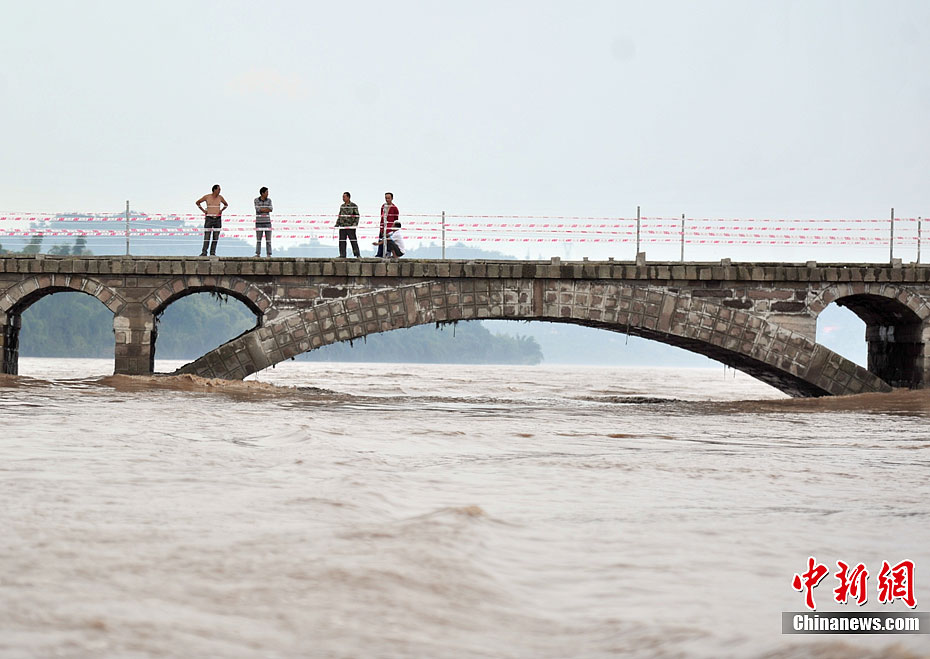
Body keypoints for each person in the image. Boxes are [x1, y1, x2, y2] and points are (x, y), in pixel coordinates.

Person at [195, 184, 228, 256]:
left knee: (215, 237)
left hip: (217, 218)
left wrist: (221, 210)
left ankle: (212, 252)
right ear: (215, 190)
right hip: (209, 218)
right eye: (219, 189)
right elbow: (198, 202)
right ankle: (204, 252)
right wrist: (203, 210)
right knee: (207, 236)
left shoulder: (220, 197)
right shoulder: (207, 197)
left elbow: (226, 204)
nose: (219, 191)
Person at [335, 191, 361, 258]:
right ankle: (342, 255)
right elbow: (340, 215)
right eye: (342, 197)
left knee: (353, 241)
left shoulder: (353, 206)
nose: (343, 198)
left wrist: (354, 225)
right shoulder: (342, 206)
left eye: (344, 197)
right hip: (342, 226)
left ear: (348, 197)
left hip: (350, 226)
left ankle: (357, 254)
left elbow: (357, 216)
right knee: (342, 241)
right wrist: (337, 224)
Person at [375, 192, 399, 257]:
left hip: (390, 229)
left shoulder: (394, 208)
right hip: (383, 227)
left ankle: (388, 254)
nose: (387, 199)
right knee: (381, 240)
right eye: (386, 198)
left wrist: (394, 229)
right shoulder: (383, 206)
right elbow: (382, 216)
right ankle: (379, 254)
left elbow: (396, 220)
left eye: (388, 198)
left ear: (392, 198)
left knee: (388, 243)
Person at [254, 186, 273, 257]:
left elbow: (271, 209)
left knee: (268, 240)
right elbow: (258, 210)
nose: (268, 194)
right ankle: (258, 253)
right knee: (258, 239)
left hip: (267, 222)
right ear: (262, 193)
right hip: (259, 222)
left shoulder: (269, 200)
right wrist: (265, 209)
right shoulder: (256, 200)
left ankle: (269, 254)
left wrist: (262, 209)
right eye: (266, 192)